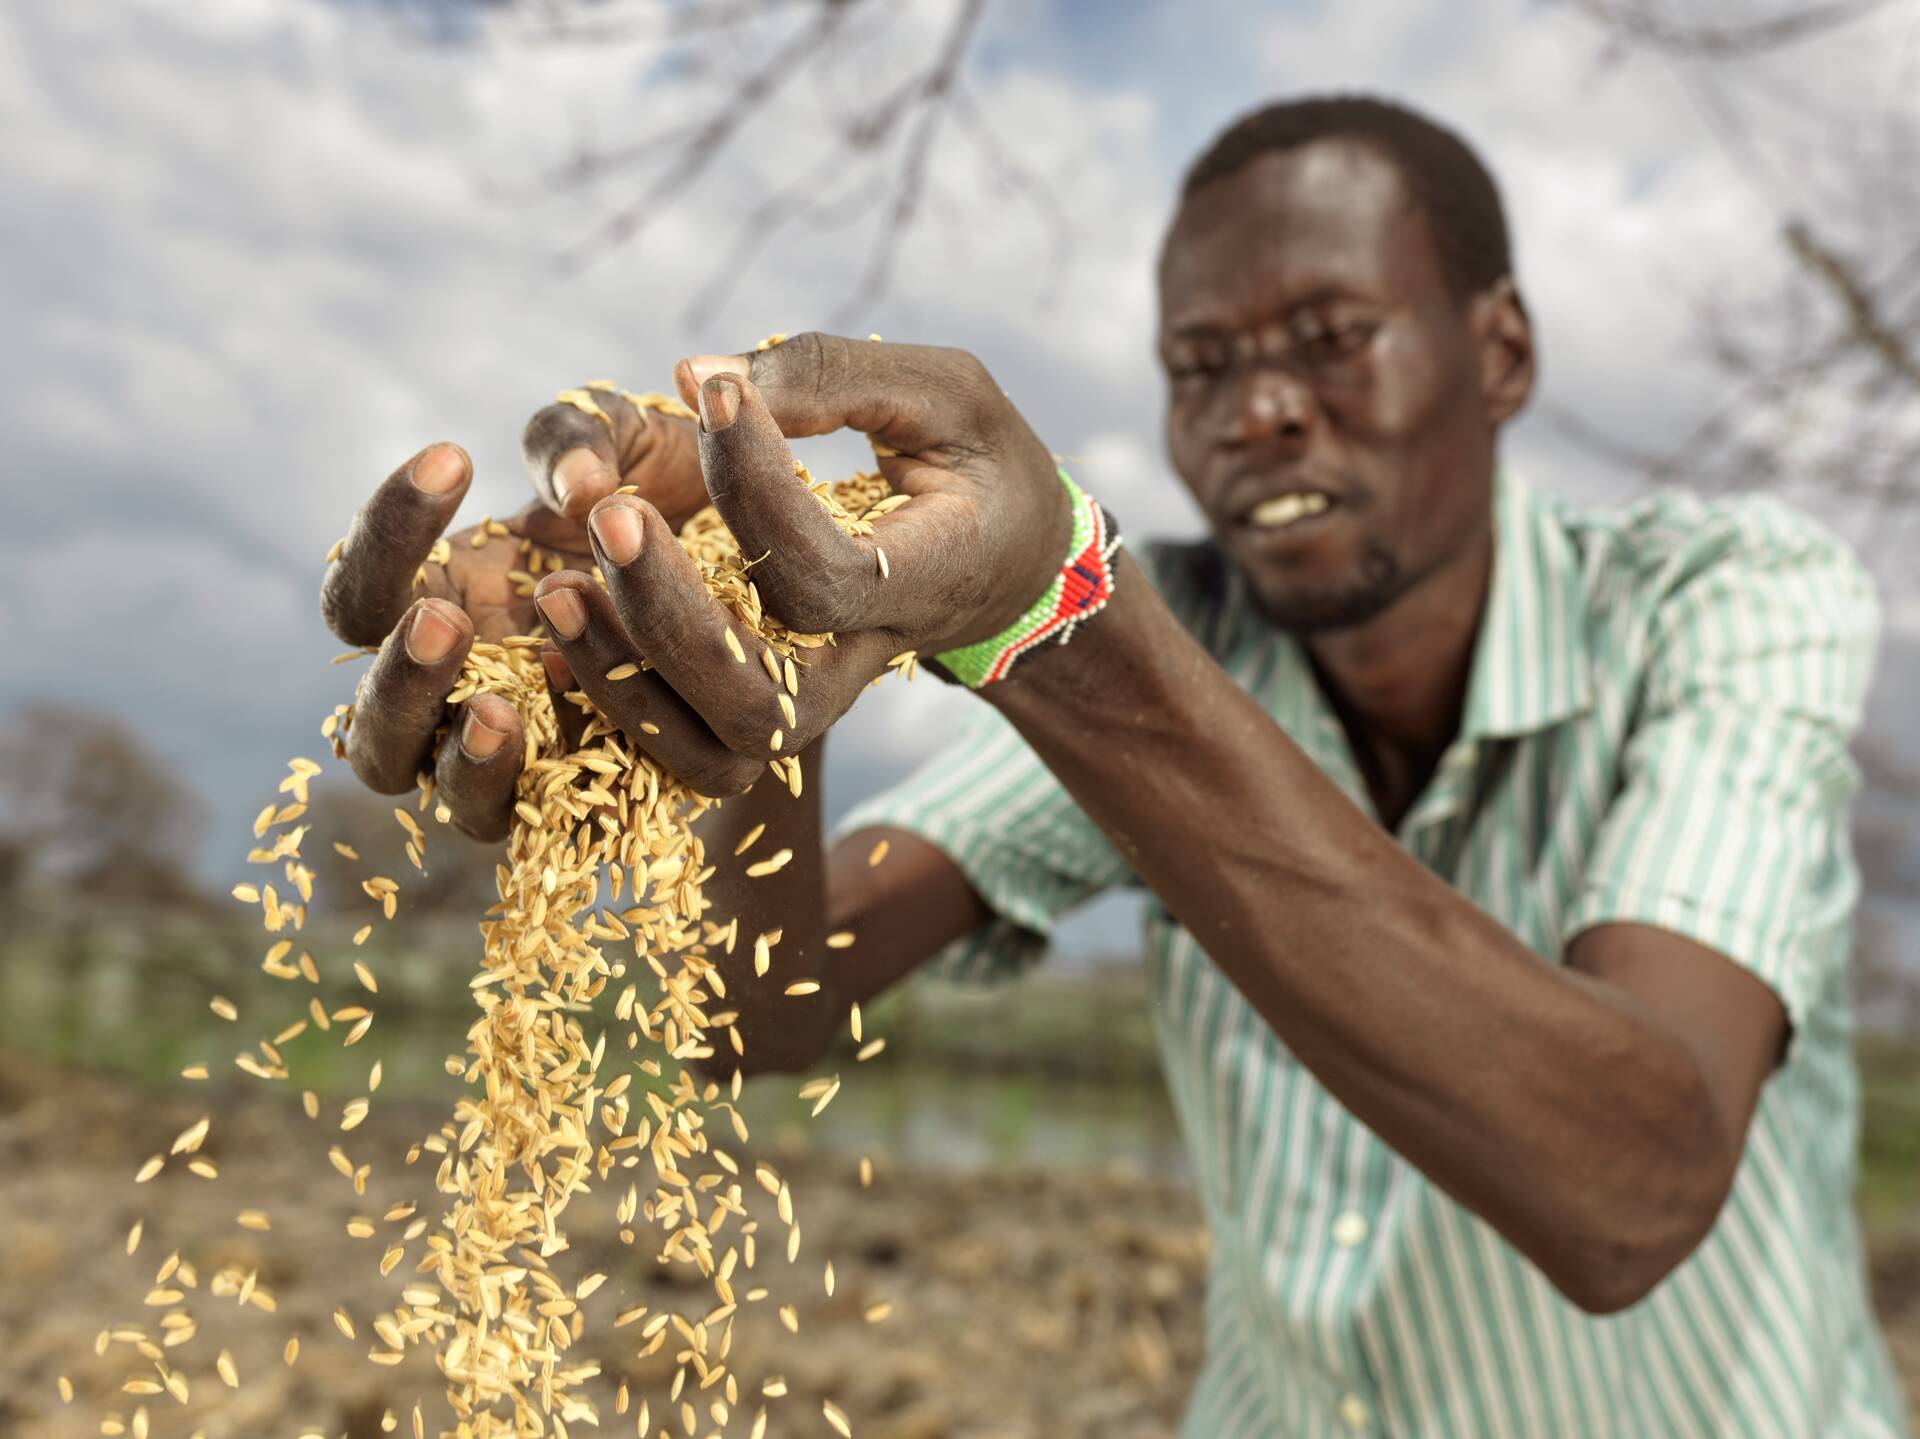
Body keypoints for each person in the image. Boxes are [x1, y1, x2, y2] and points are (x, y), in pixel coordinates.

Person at [319, 96, 1911, 1438]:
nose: (1260, 413)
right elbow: (764, 1009)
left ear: (1497, 353)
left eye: (1331, 340)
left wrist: (1061, 626)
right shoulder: (1199, 632)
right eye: (1202, 364)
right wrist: (729, 674)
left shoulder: (1721, 599)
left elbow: (1631, 1186)